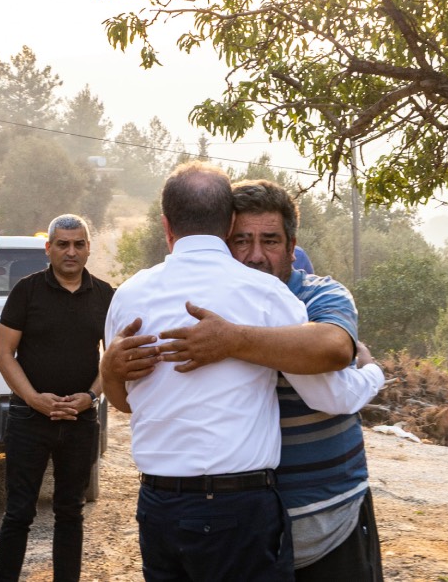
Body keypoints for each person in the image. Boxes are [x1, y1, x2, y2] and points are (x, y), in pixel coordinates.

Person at [151, 179, 385, 580]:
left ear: (292, 247)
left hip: (331, 520)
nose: (255, 255)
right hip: (239, 532)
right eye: (241, 240)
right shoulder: (200, 307)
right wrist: (111, 369)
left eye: (271, 240)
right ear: (222, 243)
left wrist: (232, 340)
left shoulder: (321, 296)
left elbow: (331, 348)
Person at [101, 161, 310, 582]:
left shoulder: (129, 295)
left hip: (158, 506)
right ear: (230, 221)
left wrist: (108, 371)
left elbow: (125, 402)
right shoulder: (267, 293)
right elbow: (323, 384)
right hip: (238, 506)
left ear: (166, 225)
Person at [0, 214, 114, 581]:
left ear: (88, 248)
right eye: (63, 244)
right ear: (49, 249)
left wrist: (90, 396)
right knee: (19, 513)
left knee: (70, 512)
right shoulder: (27, 291)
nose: (71, 251)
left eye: (79, 244)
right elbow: (2, 354)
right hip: (30, 421)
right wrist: (33, 399)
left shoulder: (107, 295)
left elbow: (113, 356)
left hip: (80, 421)